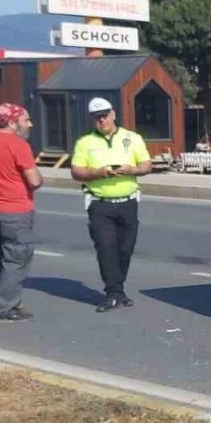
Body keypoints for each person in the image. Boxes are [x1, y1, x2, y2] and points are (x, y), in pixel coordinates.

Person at [70, 97, 152, 313]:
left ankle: (118, 290)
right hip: (100, 204)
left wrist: (132, 170)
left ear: (113, 114)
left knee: (125, 249)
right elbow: (76, 172)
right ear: (92, 119)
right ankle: (112, 293)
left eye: (105, 115)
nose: (102, 120)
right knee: (106, 248)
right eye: (97, 117)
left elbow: (146, 165)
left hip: (128, 202)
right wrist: (99, 172)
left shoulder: (132, 138)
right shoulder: (85, 143)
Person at [0, 103, 43, 323]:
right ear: (12, 122)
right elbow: (34, 181)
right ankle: (6, 309)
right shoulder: (18, 144)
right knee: (17, 259)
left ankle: (6, 302)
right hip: (15, 209)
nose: (30, 124)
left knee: (0, 258)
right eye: (26, 120)